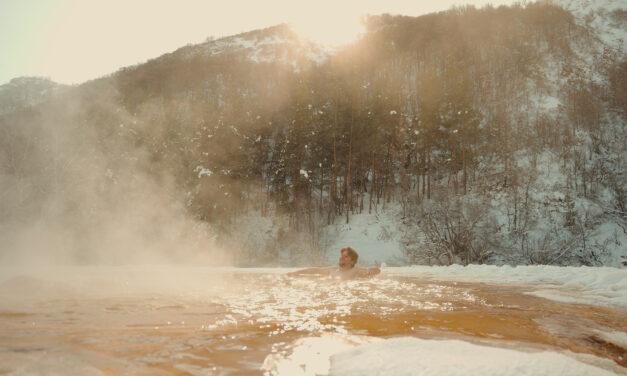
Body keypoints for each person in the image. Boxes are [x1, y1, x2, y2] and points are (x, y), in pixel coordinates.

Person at [288, 246, 381, 279]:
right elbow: (314, 270)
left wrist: (369, 272)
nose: (342, 258)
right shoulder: (332, 270)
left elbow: (377, 270)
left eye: (346, 256)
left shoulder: (355, 270)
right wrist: (296, 273)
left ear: (352, 261)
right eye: (341, 255)